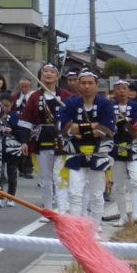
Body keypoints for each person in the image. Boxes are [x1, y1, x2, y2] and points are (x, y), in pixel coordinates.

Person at [59, 70, 115, 228]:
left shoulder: (105, 104)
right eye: (83, 83)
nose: (87, 86)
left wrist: (79, 128)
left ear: (96, 85)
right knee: (74, 193)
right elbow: (64, 125)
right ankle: (77, 229)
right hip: (76, 153)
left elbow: (106, 129)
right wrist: (92, 127)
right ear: (78, 84)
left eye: (90, 83)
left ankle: (95, 228)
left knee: (97, 194)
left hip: (98, 153)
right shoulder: (71, 103)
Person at [19, 63, 71, 218]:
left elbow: (73, 117)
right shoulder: (34, 97)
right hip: (40, 140)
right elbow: (26, 120)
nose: (48, 74)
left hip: (61, 139)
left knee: (59, 176)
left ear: (57, 76)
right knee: (45, 178)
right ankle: (47, 210)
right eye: (45, 71)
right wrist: (24, 141)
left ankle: (62, 209)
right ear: (40, 76)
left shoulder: (66, 95)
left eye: (52, 71)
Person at [109, 80, 137, 225]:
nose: (121, 91)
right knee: (118, 184)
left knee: (136, 180)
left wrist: (124, 122)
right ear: (113, 91)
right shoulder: (109, 107)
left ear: (129, 91)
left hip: (133, 147)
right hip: (115, 148)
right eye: (118, 88)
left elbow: (136, 125)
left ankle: (135, 213)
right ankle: (122, 216)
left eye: (124, 88)